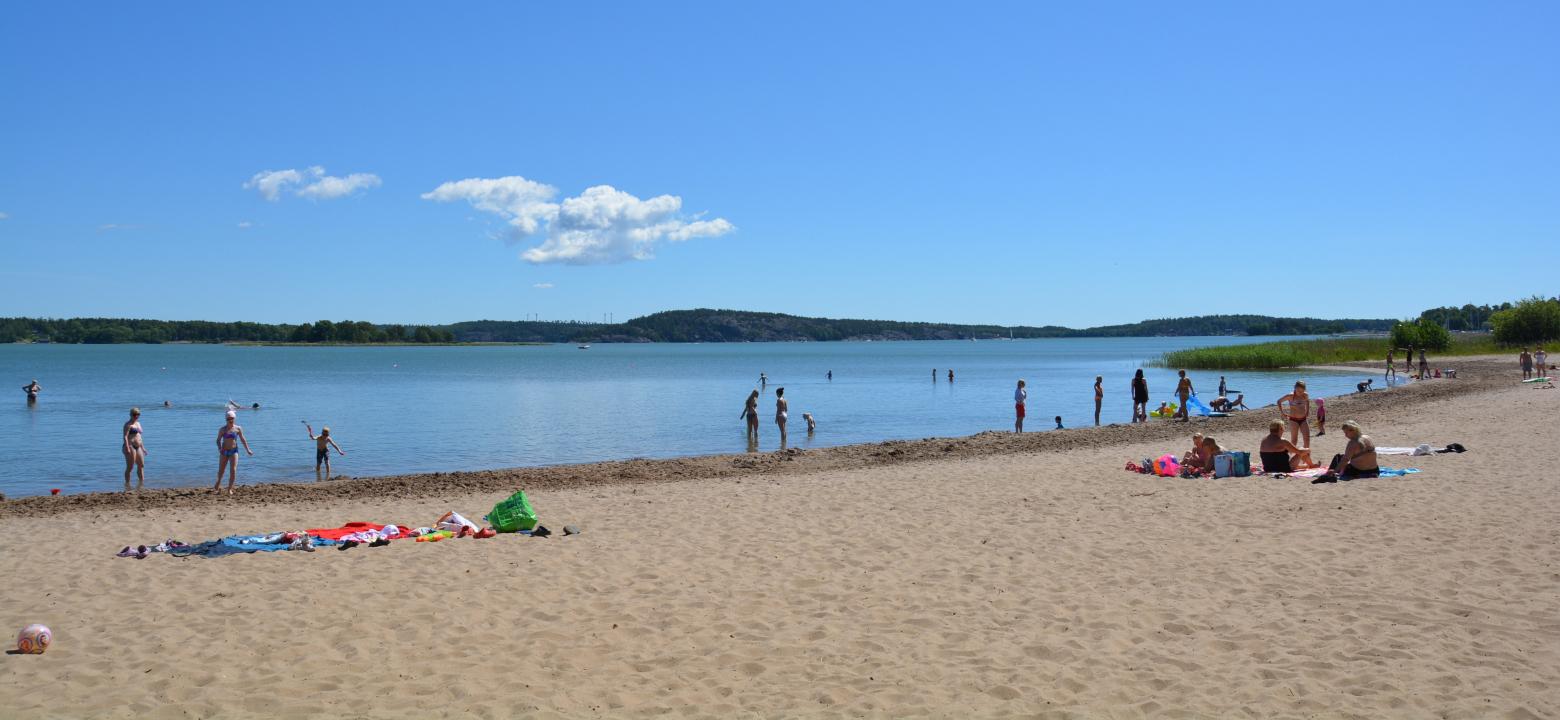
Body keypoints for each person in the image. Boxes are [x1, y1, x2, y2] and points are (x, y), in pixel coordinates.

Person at [214, 410, 253, 494]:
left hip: (234, 451)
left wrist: (248, 450)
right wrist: (220, 448)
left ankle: (229, 489)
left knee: (233, 470)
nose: (230, 420)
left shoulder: (238, 428)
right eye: (229, 419)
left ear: (234, 418)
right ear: (226, 419)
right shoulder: (222, 429)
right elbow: (218, 440)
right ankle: (218, 482)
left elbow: (243, 439)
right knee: (221, 470)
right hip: (224, 452)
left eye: (232, 418)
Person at [1276, 380, 1311, 448]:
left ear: (1304, 390)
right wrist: (1282, 413)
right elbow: (1279, 401)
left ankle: (1306, 456)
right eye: (1298, 391)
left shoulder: (1305, 395)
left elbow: (1307, 401)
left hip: (1303, 419)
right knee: (1294, 440)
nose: (1300, 393)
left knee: (1307, 439)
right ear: (1294, 388)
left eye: (1302, 391)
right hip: (1293, 420)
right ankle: (1290, 456)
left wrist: (1307, 411)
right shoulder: (1290, 396)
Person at [122, 408, 147, 492]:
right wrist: (127, 447)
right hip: (130, 446)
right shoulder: (128, 425)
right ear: (130, 415)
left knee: (141, 465)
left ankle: (141, 484)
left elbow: (139, 436)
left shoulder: (138, 423)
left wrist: (143, 448)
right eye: (134, 414)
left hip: (138, 446)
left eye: (138, 414)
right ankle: (127, 486)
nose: (136, 416)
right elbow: (125, 437)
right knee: (130, 467)